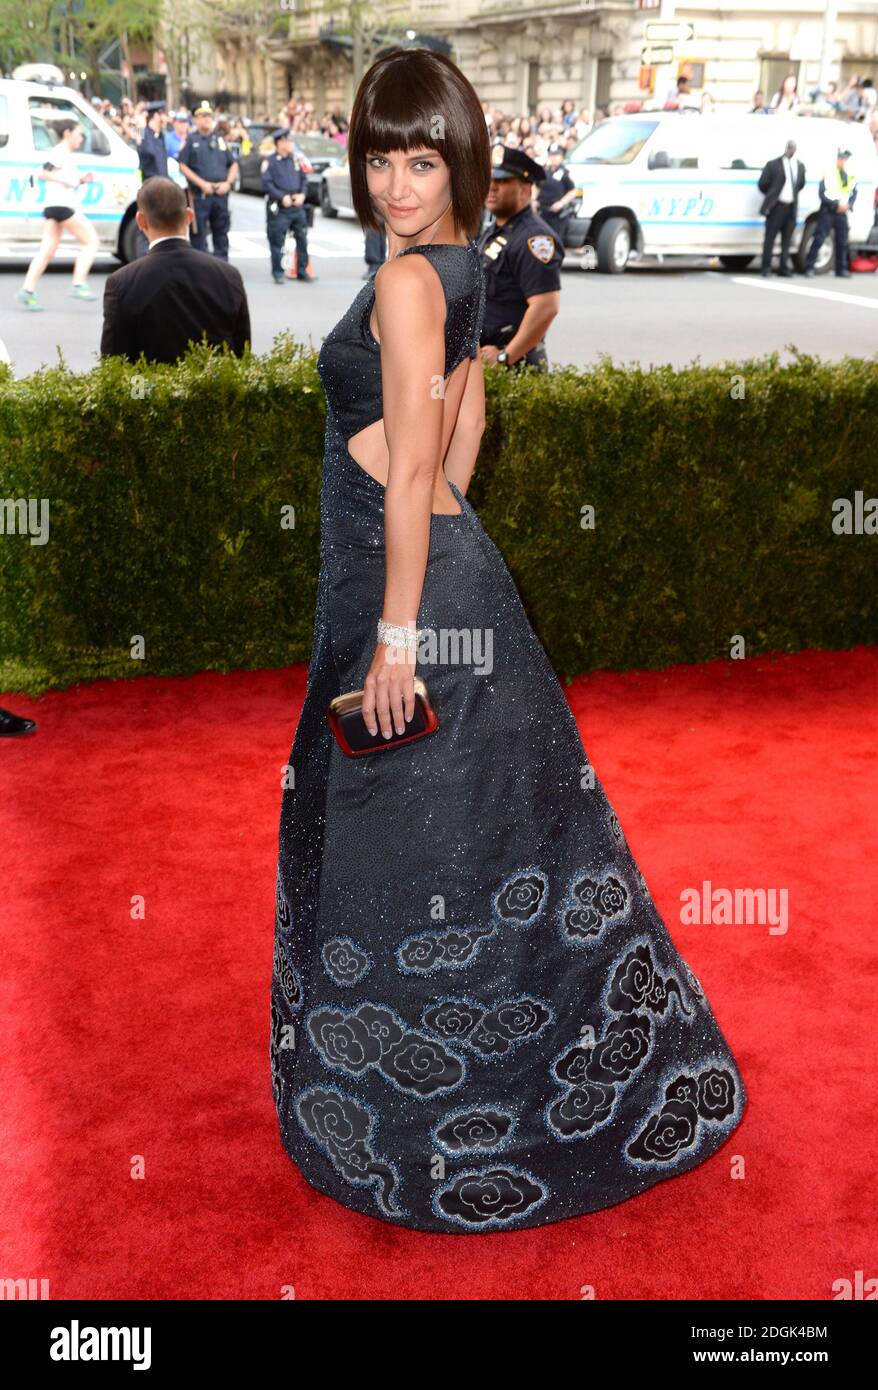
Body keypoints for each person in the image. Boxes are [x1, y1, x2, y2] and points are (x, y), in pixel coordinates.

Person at [270, 46, 747, 1235]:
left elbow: (417, 463)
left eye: (420, 159)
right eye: (379, 158)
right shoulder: (453, 266)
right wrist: (435, 544)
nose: (394, 183)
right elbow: (463, 432)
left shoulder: (404, 287)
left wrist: (393, 633)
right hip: (451, 574)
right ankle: (561, 1078)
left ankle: (426, 1111)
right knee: (498, 840)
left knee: (408, 847)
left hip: (401, 590)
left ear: (461, 157)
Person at [100, 176, 250, 363]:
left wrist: (139, 393)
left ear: (140, 221)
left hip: (147, 390)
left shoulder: (122, 282)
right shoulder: (228, 276)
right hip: (214, 390)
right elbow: (242, 355)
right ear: (189, 216)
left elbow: (114, 364)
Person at [476, 144, 562, 371]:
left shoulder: (535, 239)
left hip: (516, 366)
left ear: (526, 190)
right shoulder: (495, 230)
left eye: (502, 181)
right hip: (487, 359)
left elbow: (546, 306)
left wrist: (506, 356)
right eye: (489, 180)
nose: (492, 187)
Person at [15, 119, 100, 311]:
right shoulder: (59, 151)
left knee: (47, 250)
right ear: (68, 133)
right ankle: (79, 283)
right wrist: (67, 180)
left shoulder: (65, 154)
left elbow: (64, 179)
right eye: (79, 134)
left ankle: (27, 290)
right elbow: (42, 172)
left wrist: (81, 180)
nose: (81, 139)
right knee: (91, 241)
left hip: (55, 205)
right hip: (62, 206)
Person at [177, 101, 238, 260]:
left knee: (221, 235)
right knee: (199, 239)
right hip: (201, 196)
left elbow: (233, 165)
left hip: (220, 195)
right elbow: (183, 166)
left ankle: (222, 269)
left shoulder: (219, 139)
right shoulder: (191, 140)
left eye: (209, 115)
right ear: (196, 119)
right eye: (203, 116)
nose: (207, 119)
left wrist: (228, 183)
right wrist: (202, 184)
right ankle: (201, 273)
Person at [261, 129, 312, 284]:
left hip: (296, 206)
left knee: (302, 239)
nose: (291, 144)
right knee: (277, 241)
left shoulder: (295, 159)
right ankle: (278, 272)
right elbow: (266, 184)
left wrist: (302, 194)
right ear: (280, 143)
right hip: (280, 207)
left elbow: (304, 180)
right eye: (288, 141)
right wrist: (281, 196)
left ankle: (302, 270)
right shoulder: (270, 162)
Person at [804, 148, 857, 277]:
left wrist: (848, 205)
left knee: (842, 241)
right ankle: (809, 267)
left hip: (842, 213)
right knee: (819, 238)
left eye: (844, 159)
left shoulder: (848, 175)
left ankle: (841, 269)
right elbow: (822, 194)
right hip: (828, 212)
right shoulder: (829, 174)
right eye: (841, 158)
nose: (842, 161)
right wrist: (836, 205)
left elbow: (854, 192)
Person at [758, 139, 805, 276]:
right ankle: (766, 268)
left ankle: (784, 268)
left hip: (791, 208)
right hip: (776, 207)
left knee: (787, 241)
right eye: (789, 147)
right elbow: (763, 184)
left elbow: (800, 184)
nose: (791, 150)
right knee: (770, 239)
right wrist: (772, 196)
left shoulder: (799, 166)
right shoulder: (773, 165)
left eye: (793, 148)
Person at [135, 100, 169, 258]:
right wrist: (141, 127)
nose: (166, 117)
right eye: (163, 114)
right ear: (156, 115)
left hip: (162, 189)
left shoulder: (160, 135)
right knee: (146, 227)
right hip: (149, 187)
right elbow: (144, 149)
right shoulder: (143, 132)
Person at [536, 141, 577, 245]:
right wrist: (533, 200)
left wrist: (561, 203)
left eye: (556, 155)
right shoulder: (543, 171)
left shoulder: (564, 173)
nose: (553, 157)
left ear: (561, 156)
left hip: (557, 215)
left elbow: (573, 191)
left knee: (555, 242)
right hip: (542, 212)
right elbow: (535, 186)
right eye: (551, 155)